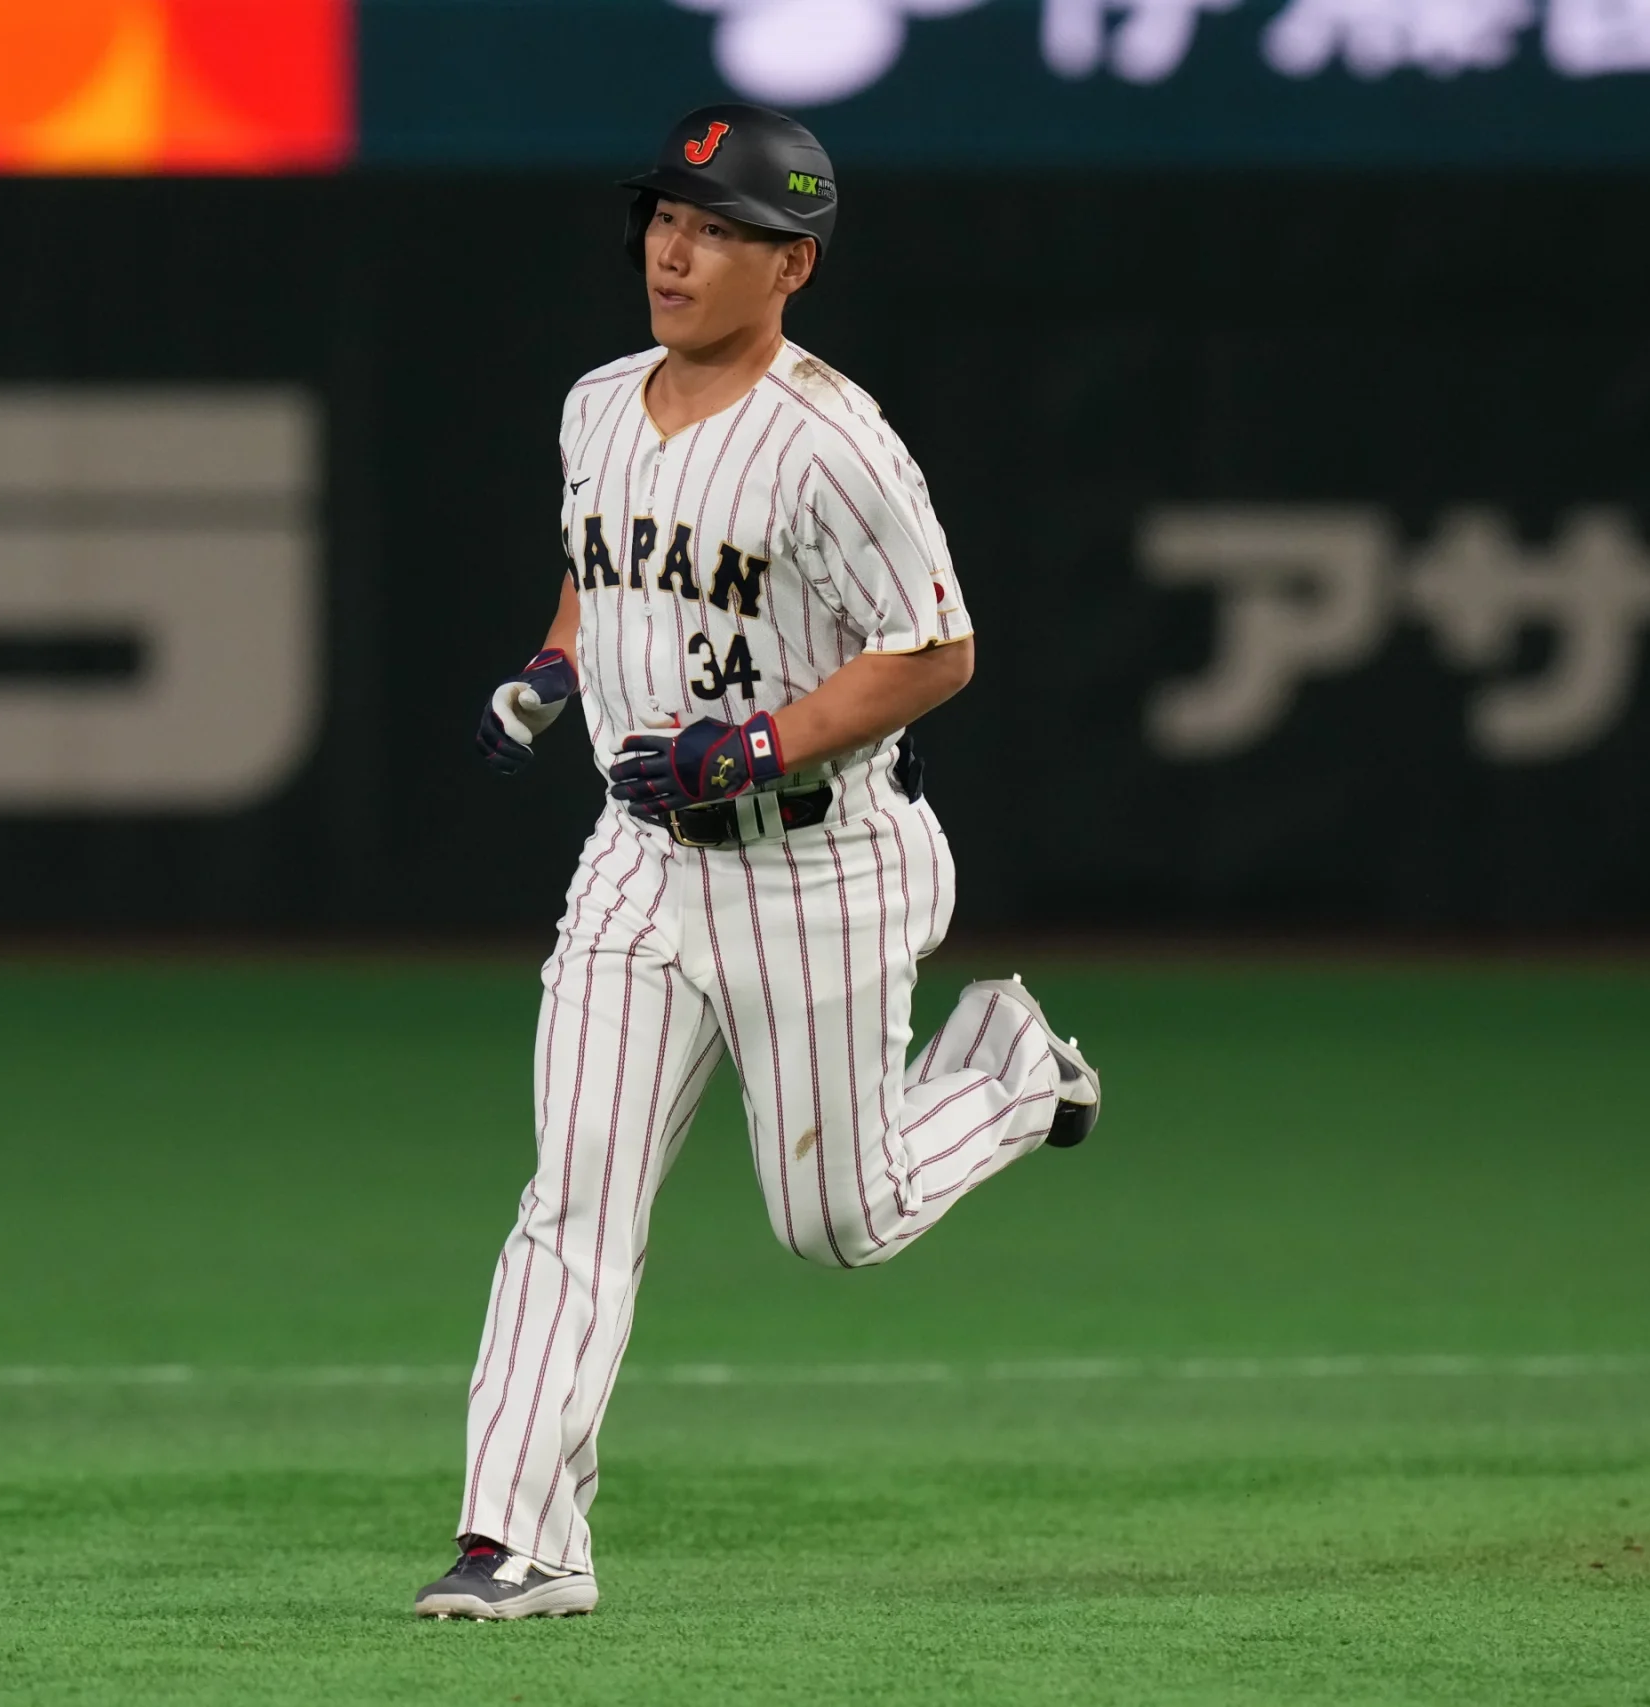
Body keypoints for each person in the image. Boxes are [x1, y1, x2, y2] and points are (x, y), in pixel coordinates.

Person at [415, 103, 1104, 1622]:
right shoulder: (599, 402)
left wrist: (762, 744)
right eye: (666, 213)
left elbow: (937, 651)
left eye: (718, 227)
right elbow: (605, 566)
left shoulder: (833, 445)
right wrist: (549, 668)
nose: (675, 246)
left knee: (836, 1221)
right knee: (573, 1194)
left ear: (791, 263)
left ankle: (1008, 1067)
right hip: (637, 864)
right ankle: (516, 1537)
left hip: (814, 866)